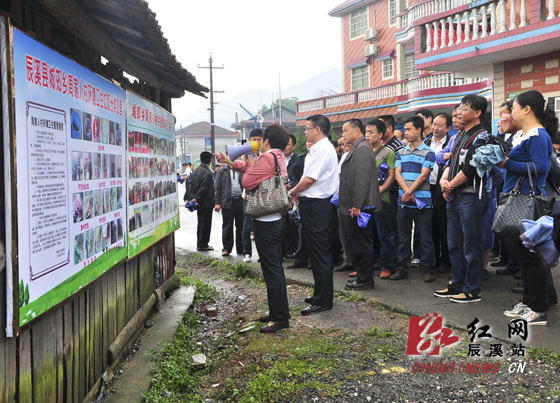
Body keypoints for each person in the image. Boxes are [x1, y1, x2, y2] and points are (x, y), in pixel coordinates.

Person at [216, 124, 291, 333]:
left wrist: (251, 159)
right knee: (274, 267)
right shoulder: (278, 156)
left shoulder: (266, 158)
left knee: (271, 269)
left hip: (266, 221)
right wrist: (233, 162)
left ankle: (279, 318)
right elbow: (256, 174)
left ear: (266, 141)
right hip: (276, 218)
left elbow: (248, 182)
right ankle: (277, 311)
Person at [498, 90, 557, 325]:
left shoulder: (538, 136)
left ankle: (538, 309)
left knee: (531, 258)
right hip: (519, 201)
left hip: (528, 202)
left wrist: (506, 163)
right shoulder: (525, 135)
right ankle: (528, 301)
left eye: (513, 107)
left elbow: (540, 168)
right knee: (524, 256)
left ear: (527, 109)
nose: (510, 112)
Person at [435, 94, 489, 303]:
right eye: (458, 108)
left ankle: (472, 290)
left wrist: (450, 185)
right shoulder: (460, 136)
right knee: (455, 245)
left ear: (476, 113)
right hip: (455, 196)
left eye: (464, 108)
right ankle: (457, 284)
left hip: (471, 197)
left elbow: (472, 168)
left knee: (471, 246)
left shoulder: (482, 137)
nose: (458, 112)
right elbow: (451, 162)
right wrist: (444, 181)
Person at [289, 115, 339, 315]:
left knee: (320, 252)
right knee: (315, 252)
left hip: (318, 205)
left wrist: (293, 192)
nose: (305, 132)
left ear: (318, 129)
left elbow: (309, 179)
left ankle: (323, 300)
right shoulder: (317, 149)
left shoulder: (323, 149)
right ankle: (320, 293)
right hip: (312, 204)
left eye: (307, 128)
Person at [392, 115, 437, 282]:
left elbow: (423, 176)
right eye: (405, 130)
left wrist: (408, 191)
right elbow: (397, 173)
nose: (406, 133)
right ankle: (401, 268)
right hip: (403, 201)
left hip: (422, 202)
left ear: (419, 130)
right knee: (402, 238)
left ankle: (429, 269)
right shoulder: (400, 152)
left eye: (409, 129)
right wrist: (406, 191)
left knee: (425, 237)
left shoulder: (429, 152)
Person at [339, 119, 382, 290]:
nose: (343, 135)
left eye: (345, 131)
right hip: (356, 205)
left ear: (357, 130)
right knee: (357, 242)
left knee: (362, 243)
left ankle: (365, 279)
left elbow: (362, 180)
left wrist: (357, 204)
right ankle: (362, 276)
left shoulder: (363, 148)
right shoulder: (358, 147)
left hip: (361, 207)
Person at [364, 119, 397, 279]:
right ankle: (365, 266)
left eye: (371, 132)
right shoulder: (362, 151)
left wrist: (378, 191)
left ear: (380, 134)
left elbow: (391, 177)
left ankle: (386, 266)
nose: (367, 135)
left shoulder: (388, 152)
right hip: (364, 200)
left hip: (382, 199)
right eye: (366, 132)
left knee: (384, 235)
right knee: (366, 235)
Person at [427, 112, 453, 273]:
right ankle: (433, 259)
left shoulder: (451, 144)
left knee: (444, 226)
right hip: (426, 188)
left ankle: (446, 260)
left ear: (448, 128)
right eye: (434, 124)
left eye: (440, 125)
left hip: (443, 188)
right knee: (430, 227)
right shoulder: (425, 142)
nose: (435, 128)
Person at [241, 128, 264, 263]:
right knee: (246, 226)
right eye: (254, 140)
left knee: (260, 227)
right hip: (248, 196)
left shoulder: (265, 155)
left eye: (259, 140)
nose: (256, 142)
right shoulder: (245, 155)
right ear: (250, 140)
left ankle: (262, 254)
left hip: (261, 196)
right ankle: (247, 253)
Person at [214, 162, 244, 257]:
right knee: (227, 226)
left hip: (241, 200)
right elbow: (217, 187)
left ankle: (241, 247)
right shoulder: (222, 170)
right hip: (227, 201)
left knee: (241, 226)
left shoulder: (242, 169)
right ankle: (227, 248)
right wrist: (218, 202)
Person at [334, 137, 355, 273]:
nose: (344, 147)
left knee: (353, 233)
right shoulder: (343, 157)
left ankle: (356, 262)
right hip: (340, 198)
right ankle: (348, 260)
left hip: (353, 199)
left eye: (347, 144)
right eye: (342, 145)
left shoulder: (357, 155)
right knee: (344, 232)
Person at [190, 151, 215, 251]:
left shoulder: (195, 170)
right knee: (206, 223)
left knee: (200, 222)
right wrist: (197, 197)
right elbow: (204, 188)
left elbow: (191, 185)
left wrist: (194, 197)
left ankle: (199, 243)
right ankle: (203, 244)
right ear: (210, 160)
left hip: (198, 202)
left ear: (200, 159)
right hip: (206, 201)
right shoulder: (208, 172)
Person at [283, 134, 299, 258]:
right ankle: (282, 249)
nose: (285, 147)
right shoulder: (277, 159)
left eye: (288, 144)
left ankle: (290, 249)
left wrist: (292, 186)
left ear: (294, 146)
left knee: (292, 223)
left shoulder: (298, 160)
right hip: (280, 194)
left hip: (293, 194)